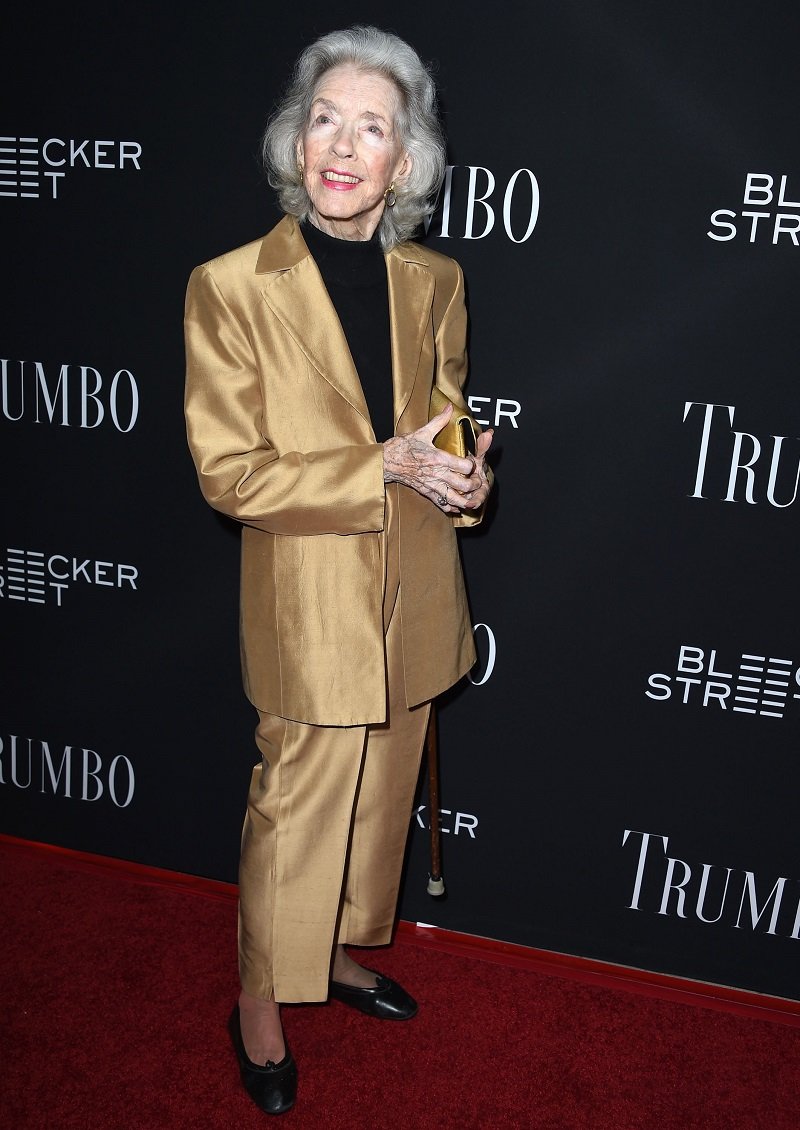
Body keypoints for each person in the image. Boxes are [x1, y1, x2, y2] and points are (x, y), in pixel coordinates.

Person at [183, 24, 493, 1116]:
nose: (343, 143)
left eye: (372, 125)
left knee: (375, 803)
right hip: (310, 602)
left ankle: (340, 955)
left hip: (412, 594)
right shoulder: (230, 286)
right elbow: (232, 473)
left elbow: (443, 426)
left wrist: (461, 480)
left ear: (404, 160)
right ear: (294, 138)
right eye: (325, 117)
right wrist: (382, 465)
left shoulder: (435, 278)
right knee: (299, 810)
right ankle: (261, 1000)